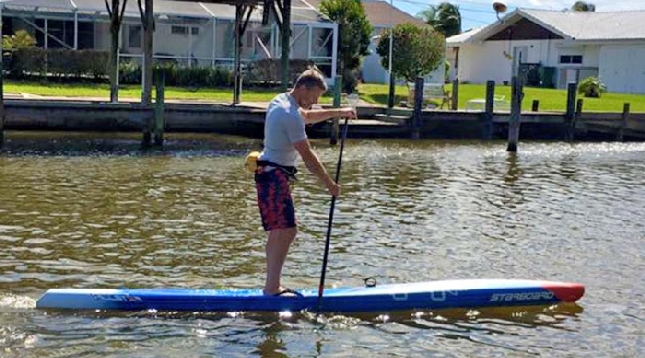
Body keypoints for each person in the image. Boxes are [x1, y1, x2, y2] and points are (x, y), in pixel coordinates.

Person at [254, 68, 357, 296]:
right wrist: (330, 184)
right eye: (314, 97)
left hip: (269, 174)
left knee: (279, 231)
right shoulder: (288, 114)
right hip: (274, 176)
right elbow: (308, 157)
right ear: (302, 88)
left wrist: (340, 112)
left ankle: (270, 286)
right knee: (287, 230)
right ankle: (272, 288)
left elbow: (308, 116)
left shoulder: (282, 101)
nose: (315, 102)